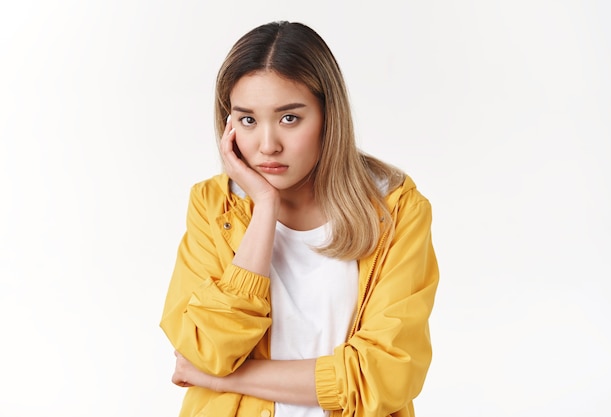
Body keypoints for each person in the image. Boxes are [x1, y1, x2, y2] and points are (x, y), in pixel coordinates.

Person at [160, 20, 439, 417]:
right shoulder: (213, 206)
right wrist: (264, 208)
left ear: (329, 116)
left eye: (289, 118)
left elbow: (385, 375)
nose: (268, 145)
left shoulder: (394, 209)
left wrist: (222, 379)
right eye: (248, 120)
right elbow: (207, 346)